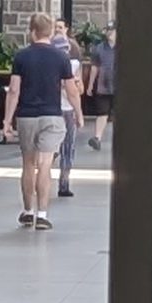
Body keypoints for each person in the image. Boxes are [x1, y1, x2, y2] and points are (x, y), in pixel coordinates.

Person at [1, 12, 76, 228]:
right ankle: (42, 214)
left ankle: (27, 210)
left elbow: (14, 90)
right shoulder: (61, 57)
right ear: (51, 32)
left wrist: (7, 120)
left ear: (32, 32)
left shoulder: (21, 57)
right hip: (52, 115)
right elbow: (70, 90)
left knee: (28, 164)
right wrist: (78, 113)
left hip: (26, 116)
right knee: (45, 165)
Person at [50, 19, 86, 198]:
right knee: (56, 148)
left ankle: (64, 182)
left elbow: (79, 90)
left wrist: (76, 84)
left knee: (67, 148)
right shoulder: (50, 66)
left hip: (65, 109)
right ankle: (47, 177)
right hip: (57, 109)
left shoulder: (75, 65)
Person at [86, 25, 116, 151]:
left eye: (112, 30)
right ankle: (97, 138)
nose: (109, 33)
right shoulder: (99, 48)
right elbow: (94, 67)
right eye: (108, 30)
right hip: (103, 85)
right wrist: (90, 85)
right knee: (102, 113)